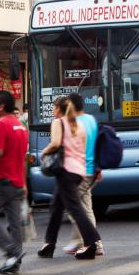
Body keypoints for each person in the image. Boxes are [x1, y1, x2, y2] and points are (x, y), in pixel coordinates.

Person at [38, 94, 102, 260]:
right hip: (79, 170)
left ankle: (91, 243)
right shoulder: (78, 125)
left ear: (59, 109)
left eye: (54, 107)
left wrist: (43, 153)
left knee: (75, 208)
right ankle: (48, 244)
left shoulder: (58, 122)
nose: (53, 110)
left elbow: (56, 143)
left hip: (65, 170)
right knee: (56, 206)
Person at [0, 90, 29, 274]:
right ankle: (14, 263)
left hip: (0, 181)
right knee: (14, 223)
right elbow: (24, 157)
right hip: (17, 182)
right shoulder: (20, 126)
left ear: (1, 107)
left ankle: (14, 251)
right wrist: (24, 182)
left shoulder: (1, 124)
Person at [62, 96, 104, 256]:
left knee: (75, 209)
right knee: (85, 207)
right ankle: (84, 242)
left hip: (79, 170)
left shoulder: (74, 123)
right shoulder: (91, 120)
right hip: (91, 169)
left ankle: (91, 243)